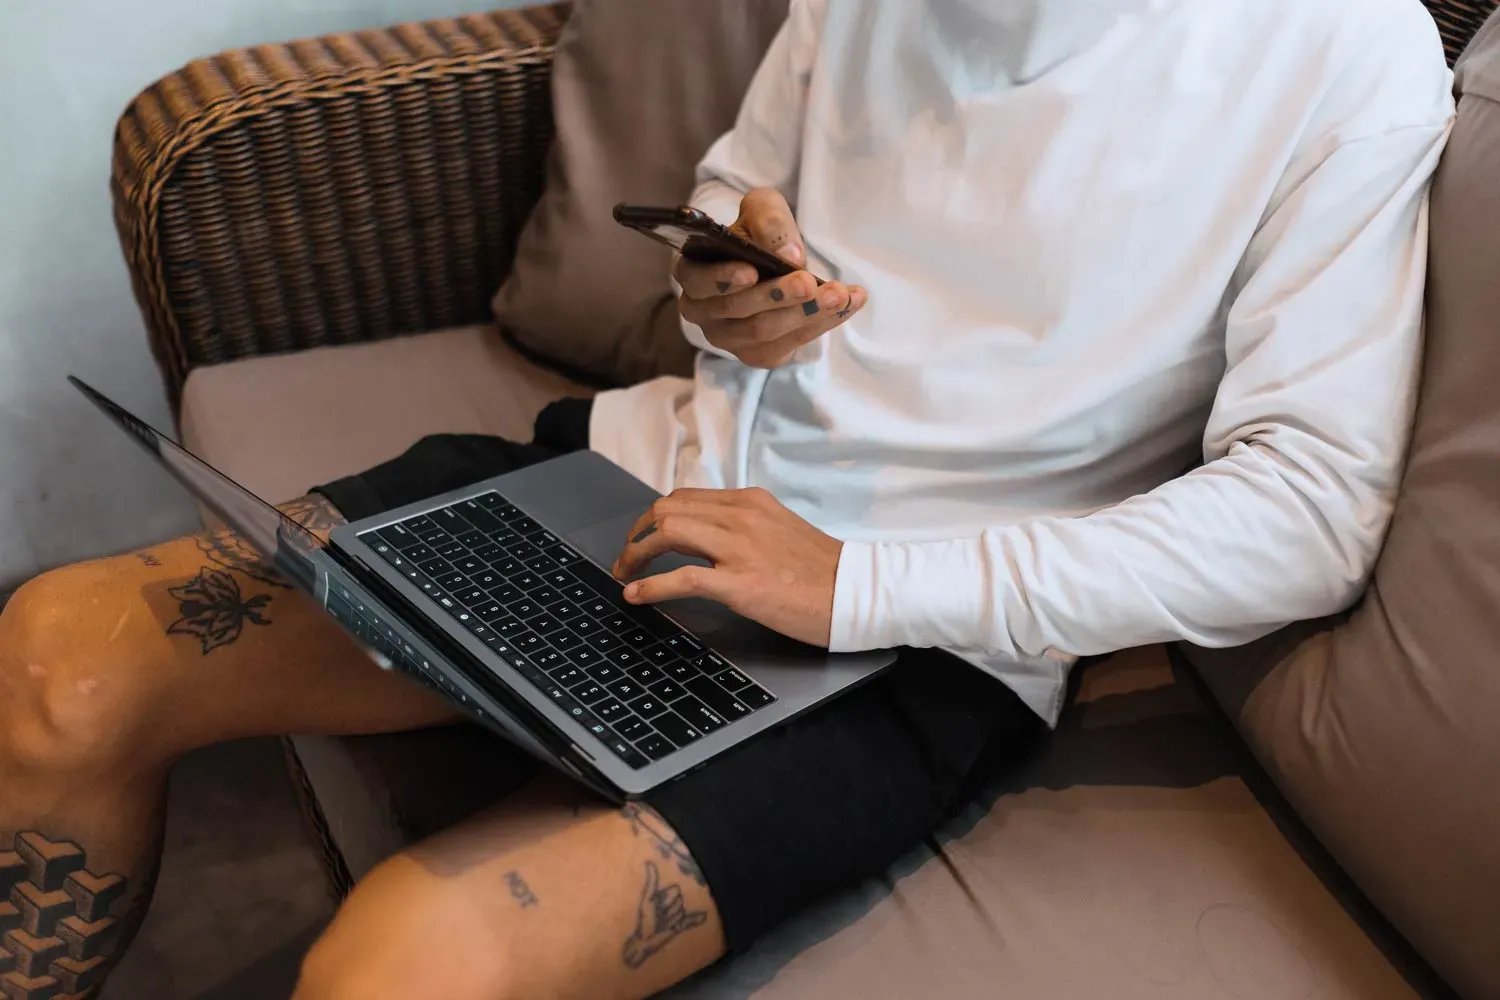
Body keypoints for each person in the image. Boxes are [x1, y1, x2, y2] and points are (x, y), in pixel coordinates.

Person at [0, 1, 1454, 997]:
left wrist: (854, 585)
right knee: (61, 657)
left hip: (919, 638)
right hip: (649, 477)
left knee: (406, 967)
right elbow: (740, 198)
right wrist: (727, 289)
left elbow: (1313, 511)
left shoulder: (1342, 45)